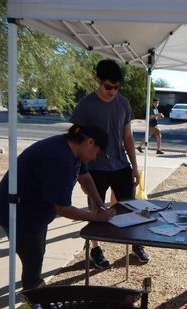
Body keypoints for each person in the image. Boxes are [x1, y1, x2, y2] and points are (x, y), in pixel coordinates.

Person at [0, 125, 116, 290]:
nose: (94, 159)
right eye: (97, 154)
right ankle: (34, 298)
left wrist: (100, 204)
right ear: (90, 142)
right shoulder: (59, 157)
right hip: (17, 211)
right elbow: (62, 208)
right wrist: (94, 216)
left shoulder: (74, 150)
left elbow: (85, 177)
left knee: (37, 252)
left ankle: (35, 292)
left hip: (33, 210)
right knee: (33, 258)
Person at [70, 59, 149, 268]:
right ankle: (95, 248)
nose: (112, 91)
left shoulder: (123, 103)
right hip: (94, 168)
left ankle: (135, 243)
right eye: (108, 87)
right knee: (96, 210)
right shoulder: (86, 105)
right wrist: (79, 172)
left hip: (120, 165)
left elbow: (128, 137)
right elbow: (76, 141)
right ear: (98, 81)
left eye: (116, 87)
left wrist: (134, 167)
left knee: (129, 207)